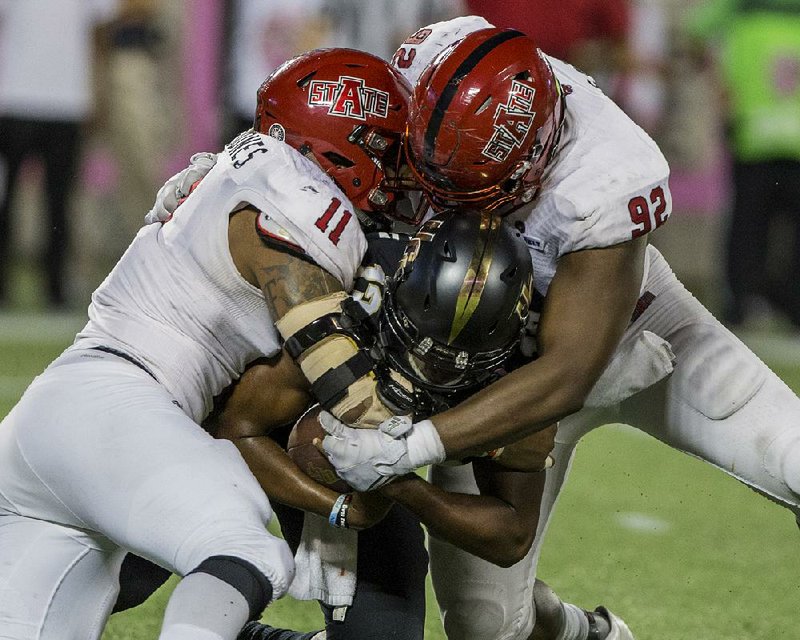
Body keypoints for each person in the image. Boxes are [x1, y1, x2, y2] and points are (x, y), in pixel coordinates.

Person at [318, 17, 800, 640]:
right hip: (481, 359)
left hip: (627, 332)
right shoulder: (430, 66)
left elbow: (567, 374)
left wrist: (412, 448)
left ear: (537, 162)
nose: (446, 202)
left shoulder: (607, 176)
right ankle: (583, 634)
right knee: (487, 625)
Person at [0, 47, 412, 640]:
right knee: (247, 552)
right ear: (340, 146)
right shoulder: (294, 201)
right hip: (121, 406)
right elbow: (339, 377)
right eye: (384, 150)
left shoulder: (235, 171)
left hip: (50, 422)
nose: (395, 172)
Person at [685, 0, 800, 329]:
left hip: (754, 129)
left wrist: (717, 80)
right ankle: (787, 303)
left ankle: (744, 301)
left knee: (749, 225)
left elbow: (696, 31)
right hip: (784, 134)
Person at [0, 0, 118, 308]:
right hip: (14, 97)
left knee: (59, 201)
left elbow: (99, 34)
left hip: (68, 99)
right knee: (5, 199)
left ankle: (55, 286)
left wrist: (98, 92)